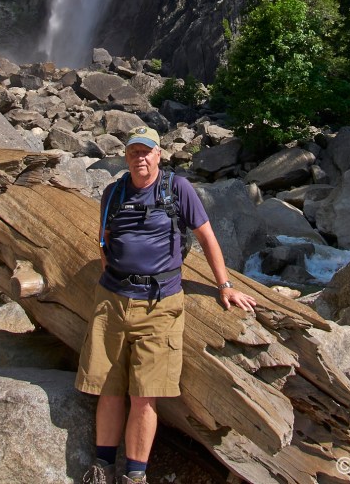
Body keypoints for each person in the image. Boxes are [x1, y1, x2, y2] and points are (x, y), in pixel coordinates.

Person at [76, 125, 257, 484]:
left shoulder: (178, 189)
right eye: (133, 152)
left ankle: (135, 475)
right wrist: (112, 276)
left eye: (147, 152)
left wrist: (225, 286)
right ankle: (102, 467)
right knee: (108, 389)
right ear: (125, 157)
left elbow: (207, 237)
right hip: (113, 301)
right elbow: (104, 241)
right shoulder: (113, 193)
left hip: (160, 304)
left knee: (146, 394)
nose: (140, 158)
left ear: (159, 154)